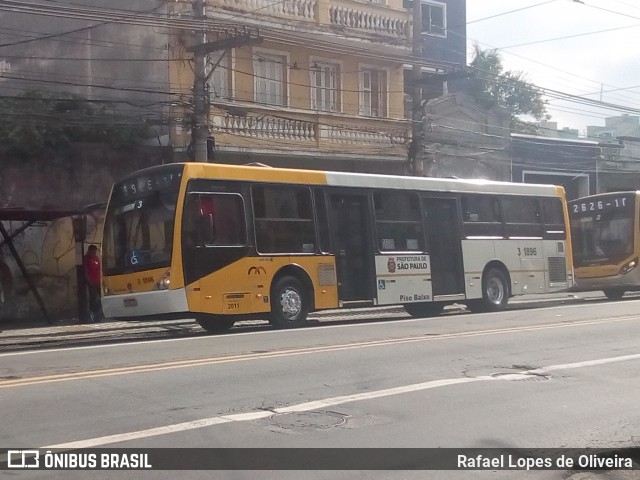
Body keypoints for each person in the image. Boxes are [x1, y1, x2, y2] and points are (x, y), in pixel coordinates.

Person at [83, 244, 103, 322]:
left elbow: (99, 269)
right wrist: (89, 281)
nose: (94, 253)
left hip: (98, 281)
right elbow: (86, 271)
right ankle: (93, 315)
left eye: (95, 252)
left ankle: (99, 314)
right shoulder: (86, 259)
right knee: (93, 299)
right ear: (89, 251)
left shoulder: (96, 258)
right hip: (91, 282)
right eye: (93, 252)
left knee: (100, 299)